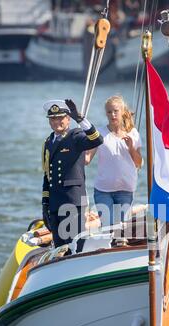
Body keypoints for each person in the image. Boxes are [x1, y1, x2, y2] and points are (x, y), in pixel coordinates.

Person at [41, 99, 103, 250]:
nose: (57, 122)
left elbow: (97, 139)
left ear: (68, 119)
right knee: (59, 248)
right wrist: (45, 204)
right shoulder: (48, 142)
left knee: (76, 245)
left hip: (73, 201)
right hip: (55, 203)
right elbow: (47, 175)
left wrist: (80, 119)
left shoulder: (76, 136)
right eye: (53, 119)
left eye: (60, 118)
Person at [85, 95, 142, 227]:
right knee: (108, 228)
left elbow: (139, 163)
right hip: (103, 190)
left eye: (116, 111)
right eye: (109, 112)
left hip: (125, 189)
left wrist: (131, 148)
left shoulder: (133, 133)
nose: (113, 114)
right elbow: (87, 159)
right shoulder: (99, 134)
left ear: (122, 112)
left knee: (122, 230)